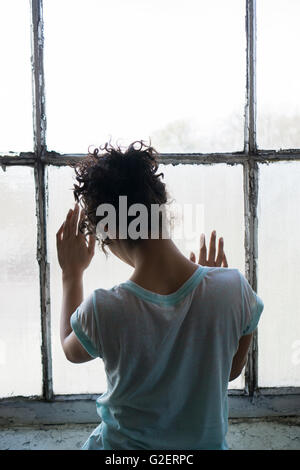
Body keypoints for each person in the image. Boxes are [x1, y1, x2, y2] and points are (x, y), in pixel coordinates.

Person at [56, 141, 264, 450]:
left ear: (108, 232)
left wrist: (71, 275)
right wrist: (211, 288)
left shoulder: (105, 308)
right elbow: (230, 370)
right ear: (161, 207)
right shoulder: (234, 290)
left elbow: (71, 350)